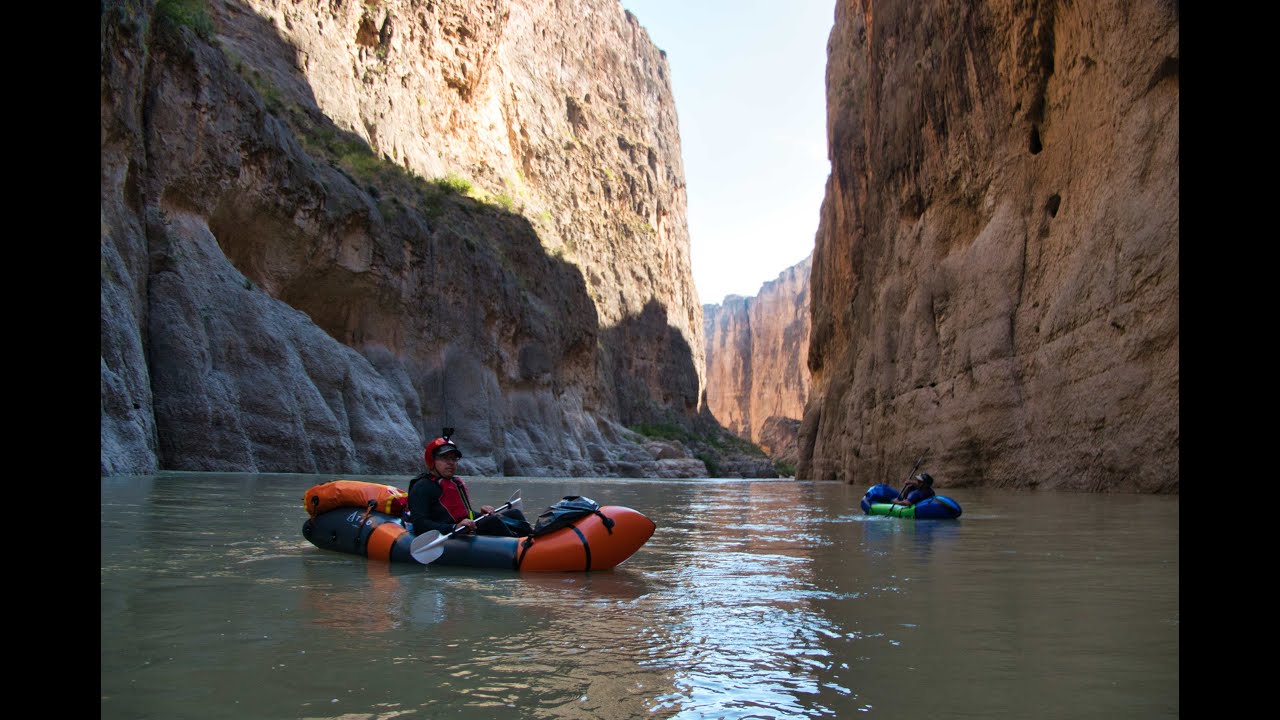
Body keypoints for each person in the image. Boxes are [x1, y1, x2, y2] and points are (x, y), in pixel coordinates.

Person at [407, 433, 530, 537]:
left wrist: (481, 515)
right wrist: (454, 527)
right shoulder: (422, 487)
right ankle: (524, 549)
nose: (451, 463)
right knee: (492, 521)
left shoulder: (455, 483)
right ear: (432, 461)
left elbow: (465, 514)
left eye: (453, 459)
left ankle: (532, 540)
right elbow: (420, 525)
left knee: (515, 514)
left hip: (465, 528)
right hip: (451, 533)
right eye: (444, 458)